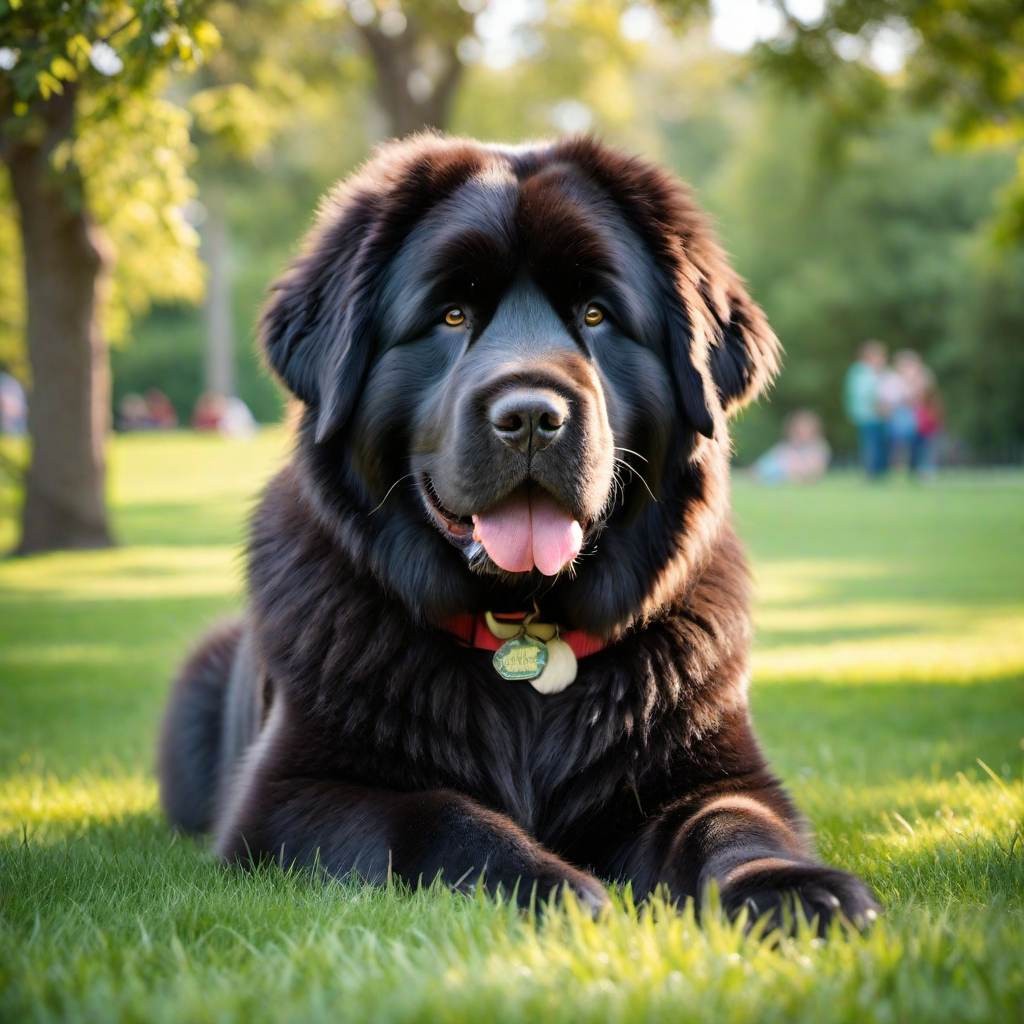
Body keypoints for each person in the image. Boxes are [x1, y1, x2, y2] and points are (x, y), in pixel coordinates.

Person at [843, 340, 888, 478]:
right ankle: (871, 472)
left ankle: (881, 471)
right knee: (871, 445)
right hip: (866, 416)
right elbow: (866, 394)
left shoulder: (880, 372)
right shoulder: (861, 372)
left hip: (880, 416)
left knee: (881, 444)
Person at [751, 409, 831, 484]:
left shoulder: (818, 447)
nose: (803, 432)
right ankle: (754, 474)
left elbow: (815, 470)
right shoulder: (788, 446)